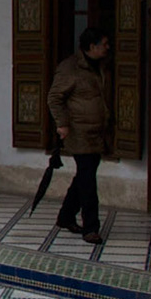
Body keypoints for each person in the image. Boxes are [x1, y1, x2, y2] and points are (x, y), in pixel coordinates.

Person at [48, 26, 112, 245]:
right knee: (87, 180)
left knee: (85, 175)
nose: (107, 47)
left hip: (97, 131)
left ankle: (65, 217)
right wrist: (62, 125)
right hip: (79, 131)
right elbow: (54, 98)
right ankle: (91, 227)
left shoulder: (100, 66)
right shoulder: (70, 68)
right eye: (104, 44)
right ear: (91, 46)